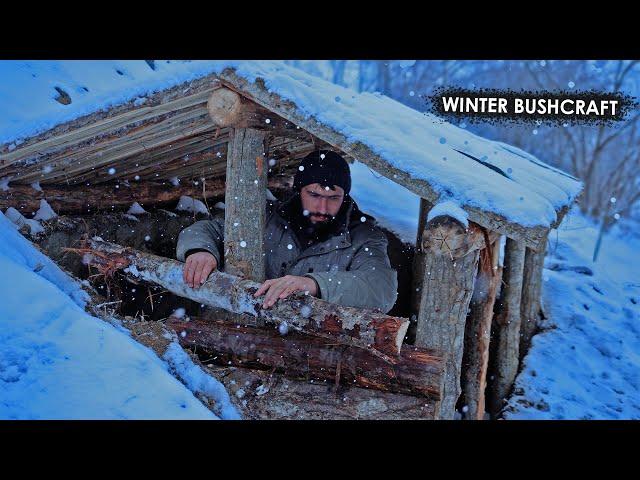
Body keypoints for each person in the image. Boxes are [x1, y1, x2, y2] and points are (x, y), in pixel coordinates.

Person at [176, 150, 398, 313]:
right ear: (298, 190)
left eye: (333, 198)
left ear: (345, 196)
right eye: (314, 195)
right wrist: (200, 250)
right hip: (235, 336)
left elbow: (381, 289)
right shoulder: (266, 217)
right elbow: (209, 228)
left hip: (311, 357)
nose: (322, 208)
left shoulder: (364, 237)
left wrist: (315, 284)